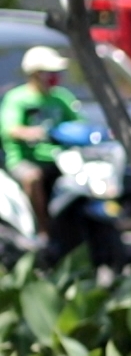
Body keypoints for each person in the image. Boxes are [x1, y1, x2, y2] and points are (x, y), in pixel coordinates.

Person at [1, 46, 81, 237]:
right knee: (33, 178)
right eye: (49, 72)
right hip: (25, 159)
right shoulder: (17, 98)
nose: (55, 77)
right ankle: (42, 229)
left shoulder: (61, 97)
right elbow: (10, 129)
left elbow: (79, 124)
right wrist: (33, 133)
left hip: (59, 158)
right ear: (35, 74)